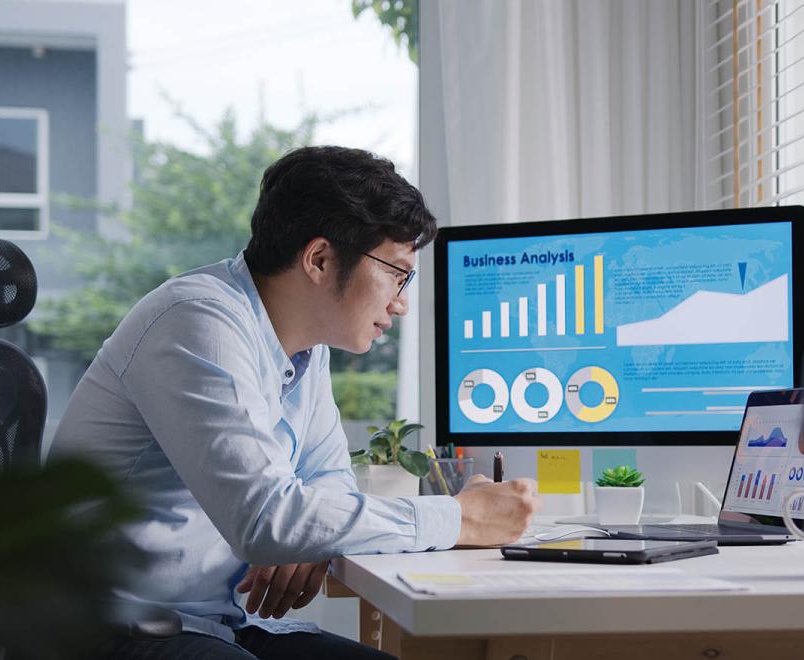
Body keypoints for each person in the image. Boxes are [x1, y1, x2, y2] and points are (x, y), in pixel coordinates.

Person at [51, 146, 541, 659]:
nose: (401, 302)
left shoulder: (304, 348)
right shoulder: (198, 321)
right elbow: (268, 522)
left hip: (204, 625)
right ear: (320, 259)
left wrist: (311, 535)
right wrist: (460, 518)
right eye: (397, 273)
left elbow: (324, 481)